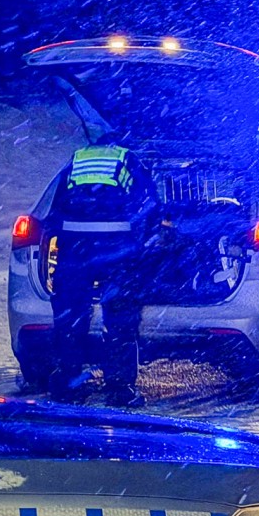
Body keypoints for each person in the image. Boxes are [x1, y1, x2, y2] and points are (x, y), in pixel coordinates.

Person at [42, 133, 159, 407]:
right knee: (119, 318)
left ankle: (68, 384)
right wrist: (146, 241)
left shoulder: (77, 159)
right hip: (115, 249)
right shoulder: (128, 159)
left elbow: (55, 209)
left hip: (75, 249)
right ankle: (120, 389)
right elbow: (148, 204)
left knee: (71, 316)